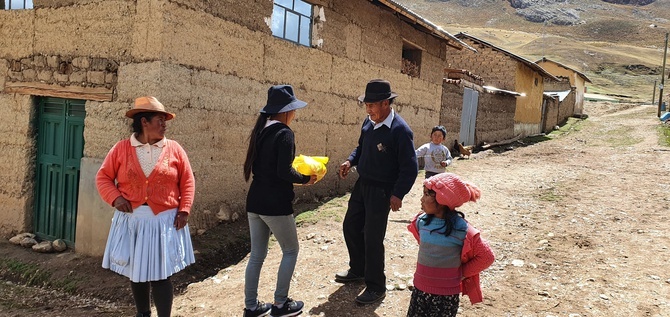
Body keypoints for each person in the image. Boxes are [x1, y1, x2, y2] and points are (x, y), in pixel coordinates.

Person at [97, 96, 196, 317]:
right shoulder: (122, 149)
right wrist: (115, 198)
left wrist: (184, 209)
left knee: (162, 274)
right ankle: (143, 314)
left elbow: (187, 181)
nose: (164, 124)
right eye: (159, 120)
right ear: (144, 122)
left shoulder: (174, 149)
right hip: (134, 220)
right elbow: (103, 177)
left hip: (164, 220)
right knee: (137, 272)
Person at [336, 79, 419, 304]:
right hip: (363, 185)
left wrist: (398, 194)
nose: (368, 109)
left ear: (385, 103)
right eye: (366, 105)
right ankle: (358, 269)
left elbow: (410, 167)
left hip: (382, 191)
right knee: (351, 226)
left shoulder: (400, 130)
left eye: (372, 105)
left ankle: (376, 286)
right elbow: (361, 148)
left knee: (372, 238)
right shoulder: (369, 122)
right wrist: (350, 160)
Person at [242, 85, 317, 317]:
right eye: (293, 110)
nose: (294, 114)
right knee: (291, 250)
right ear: (286, 111)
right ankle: (280, 304)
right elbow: (284, 172)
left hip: (255, 201)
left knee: (256, 255)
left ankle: (251, 306)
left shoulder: (261, 131)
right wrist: (306, 178)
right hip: (275, 203)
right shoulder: (284, 133)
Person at [406, 173, 495, 317]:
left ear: (442, 199)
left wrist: (461, 273)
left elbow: (486, 257)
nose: (421, 199)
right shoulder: (421, 221)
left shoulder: (463, 229)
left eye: (426, 194)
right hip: (420, 290)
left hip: (446, 297)